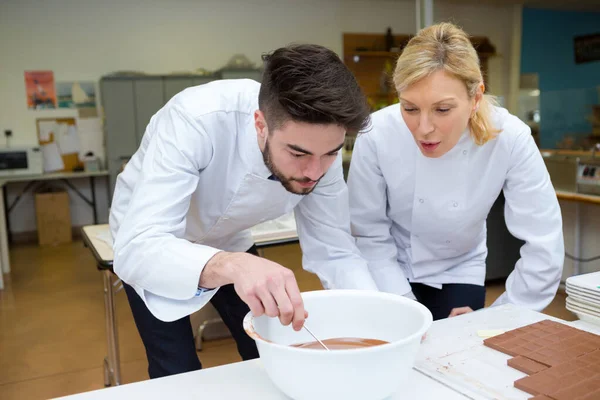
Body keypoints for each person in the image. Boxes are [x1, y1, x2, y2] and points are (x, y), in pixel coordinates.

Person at [109, 44, 379, 378]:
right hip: (152, 241)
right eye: (297, 154)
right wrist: (233, 265)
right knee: (177, 368)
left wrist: (379, 319)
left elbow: (336, 251)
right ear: (260, 125)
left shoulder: (320, 149)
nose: (314, 171)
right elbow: (137, 248)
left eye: (330, 154)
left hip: (229, 238)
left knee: (268, 348)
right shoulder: (196, 119)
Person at [347, 22, 564, 321]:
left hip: (459, 266)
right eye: (409, 108)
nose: (424, 128)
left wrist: (500, 317)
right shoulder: (376, 133)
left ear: (475, 98)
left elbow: (544, 242)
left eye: (443, 109)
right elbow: (368, 233)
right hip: (387, 265)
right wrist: (403, 306)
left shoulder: (510, 137)